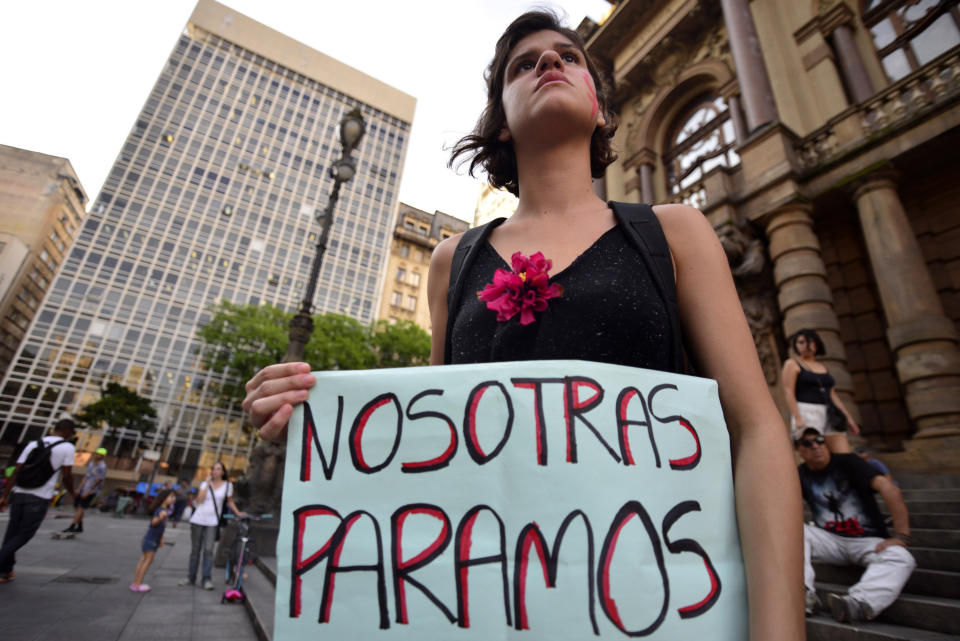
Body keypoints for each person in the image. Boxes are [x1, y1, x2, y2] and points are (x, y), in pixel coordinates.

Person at [240, 11, 804, 639]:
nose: (548, 63)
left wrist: (778, 630)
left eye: (568, 56)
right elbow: (435, 445)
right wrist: (306, 417)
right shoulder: (453, 261)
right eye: (522, 64)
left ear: (601, 110)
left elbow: (755, 430)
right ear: (501, 124)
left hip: (654, 603)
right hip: (493, 607)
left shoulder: (674, 232)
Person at [795, 426, 915, 622]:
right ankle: (803, 596)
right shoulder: (800, 474)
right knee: (794, 531)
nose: (816, 446)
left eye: (819, 440)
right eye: (807, 443)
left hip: (868, 541)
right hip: (830, 541)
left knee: (902, 557)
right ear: (799, 451)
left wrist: (901, 535)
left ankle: (858, 603)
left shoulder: (848, 462)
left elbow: (889, 489)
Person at [0, 418, 78, 583]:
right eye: (72, 432)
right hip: (39, 496)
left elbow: (16, 471)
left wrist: (4, 496)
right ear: (67, 431)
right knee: (25, 533)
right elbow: (67, 475)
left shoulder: (33, 444)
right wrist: (73, 493)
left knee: (12, 532)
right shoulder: (67, 447)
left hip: (19, 493)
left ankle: (6, 571)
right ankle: (3, 563)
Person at [781, 328, 860, 454]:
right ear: (795, 345)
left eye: (810, 342)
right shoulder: (792, 364)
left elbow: (833, 395)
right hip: (807, 411)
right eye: (801, 342)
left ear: (817, 343)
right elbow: (788, 392)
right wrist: (798, 418)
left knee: (843, 453)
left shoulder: (823, 366)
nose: (806, 346)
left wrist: (848, 417)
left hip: (829, 412)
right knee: (815, 452)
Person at [179, 462, 246, 590]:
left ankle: (206, 579)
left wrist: (237, 512)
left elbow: (229, 501)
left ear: (223, 472)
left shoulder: (228, 486)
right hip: (197, 520)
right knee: (195, 551)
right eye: (213, 469)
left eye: (218, 469)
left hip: (212, 521)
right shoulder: (205, 484)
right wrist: (207, 484)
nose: (215, 471)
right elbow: (199, 501)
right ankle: (190, 577)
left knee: (209, 551)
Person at [130, 488, 176, 593]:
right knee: (148, 560)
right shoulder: (161, 510)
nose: (174, 498)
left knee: (144, 559)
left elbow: (161, 527)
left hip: (153, 539)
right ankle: (138, 584)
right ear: (164, 498)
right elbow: (153, 523)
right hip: (150, 539)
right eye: (171, 496)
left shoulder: (163, 509)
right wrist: (160, 518)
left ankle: (135, 583)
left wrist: (161, 538)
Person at [62, 447, 108, 535]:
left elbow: (99, 480)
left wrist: (89, 491)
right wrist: (80, 488)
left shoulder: (102, 466)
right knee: (79, 507)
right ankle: (79, 526)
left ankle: (72, 526)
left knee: (81, 507)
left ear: (102, 456)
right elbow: (86, 476)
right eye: (96, 453)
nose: (96, 455)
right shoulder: (91, 463)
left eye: (99, 454)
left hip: (92, 490)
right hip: (84, 488)